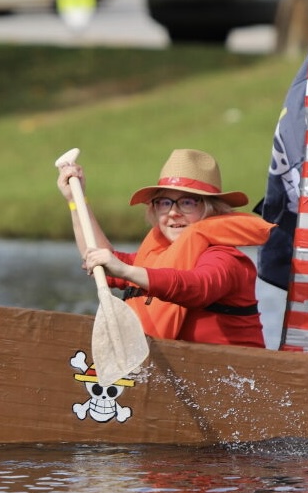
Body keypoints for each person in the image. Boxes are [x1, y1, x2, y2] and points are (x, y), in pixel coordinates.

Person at [57, 148, 274, 347]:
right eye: (164, 202)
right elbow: (102, 262)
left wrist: (125, 270)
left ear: (211, 210)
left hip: (236, 376)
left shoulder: (226, 259)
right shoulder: (157, 255)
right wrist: (76, 201)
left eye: (187, 202)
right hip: (183, 376)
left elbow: (198, 287)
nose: (173, 212)